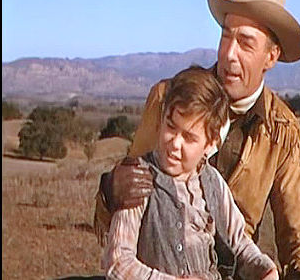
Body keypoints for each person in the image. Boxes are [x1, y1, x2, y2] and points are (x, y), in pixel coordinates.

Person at [94, 0, 300, 279]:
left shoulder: (283, 132)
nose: (228, 53)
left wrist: (297, 274)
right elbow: (123, 219)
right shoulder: (169, 98)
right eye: (226, 36)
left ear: (271, 56)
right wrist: (110, 191)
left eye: (246, 43)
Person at [102, 66, 279, 280]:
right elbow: (118, 263)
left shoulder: (213, 182)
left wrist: (264, 269)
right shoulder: (137, 180)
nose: (175, 143)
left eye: (189, 137)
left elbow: (239, 243)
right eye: (171, 126)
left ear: (211, 143)